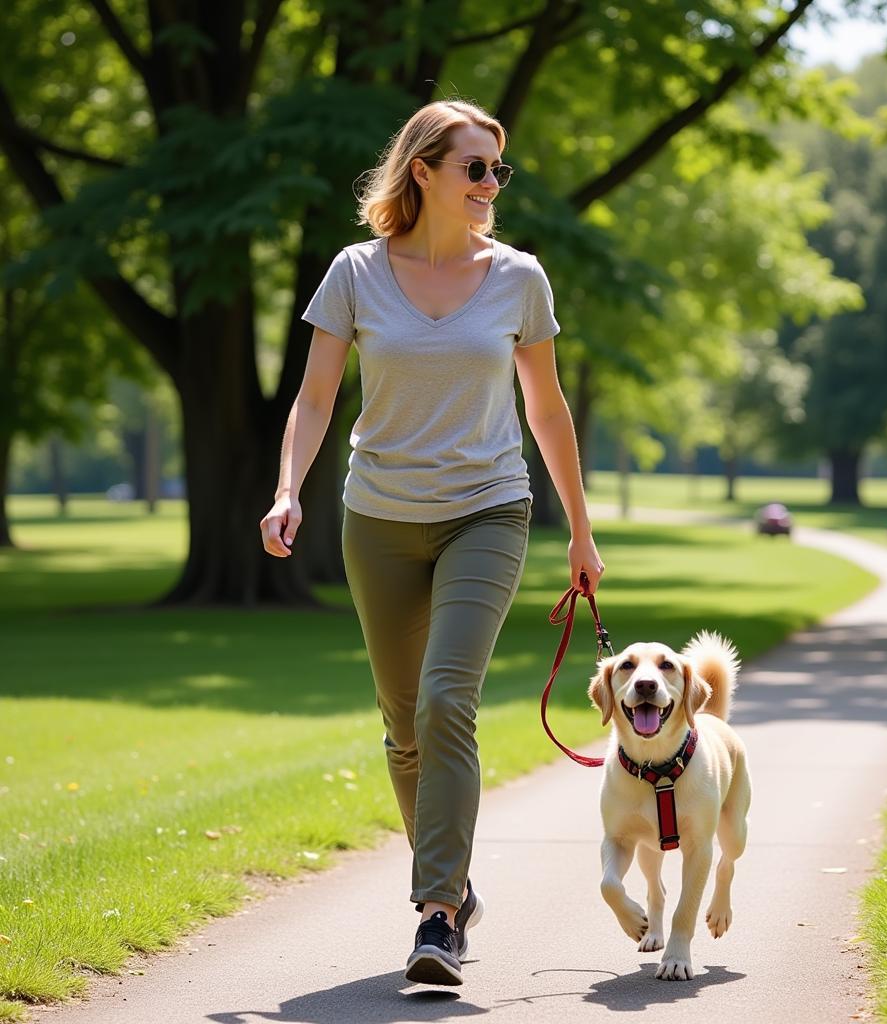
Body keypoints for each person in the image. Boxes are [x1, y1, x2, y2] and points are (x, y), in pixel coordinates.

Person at [259, 99, 604, 987]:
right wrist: (288, 488)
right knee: (404, 725)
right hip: (377, 516)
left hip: (488, 509)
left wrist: (581, 531)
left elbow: (547, 408)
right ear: (423, 171)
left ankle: (437, 914)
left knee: (448, 698)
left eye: (498, 169)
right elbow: (314, 397)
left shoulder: (519, 277)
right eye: (475, 168)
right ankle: (450, 880)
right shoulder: (355, 271)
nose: (492, 183)